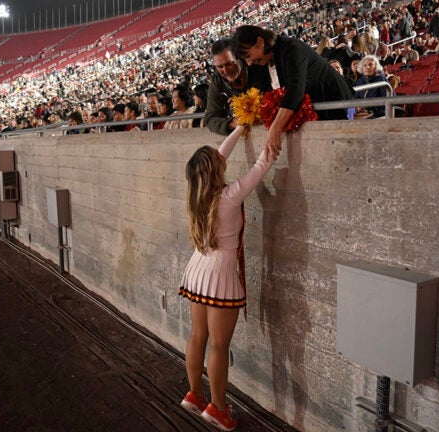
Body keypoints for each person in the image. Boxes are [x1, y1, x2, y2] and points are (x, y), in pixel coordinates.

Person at [178, 125, 280, 431]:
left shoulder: (196, 194)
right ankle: (219, 408)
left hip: (197, 268)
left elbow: (219, 156)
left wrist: (240, 127)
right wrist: (276, 130)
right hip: (220, 275)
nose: (223, 159)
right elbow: (263, 163)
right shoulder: (230, 195)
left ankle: (195, 394)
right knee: (219, 346)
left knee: (198, 336)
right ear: (215, 171)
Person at [231, 25, 354, 157]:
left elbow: (295, 91)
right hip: (316, 115)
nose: (249, 63)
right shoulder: (262, 63)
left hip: (335, 107)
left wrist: (275, 129)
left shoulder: (291, 48)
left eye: (248, 56)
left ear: (260, 42)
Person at [205, 39, 271, 136]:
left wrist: (250, 105)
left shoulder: (257, 66)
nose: (225, 71)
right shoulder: (217, 81)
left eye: (229, 64)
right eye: (220, 67)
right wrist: (232, 123)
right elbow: (210, 119)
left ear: (239, 57)